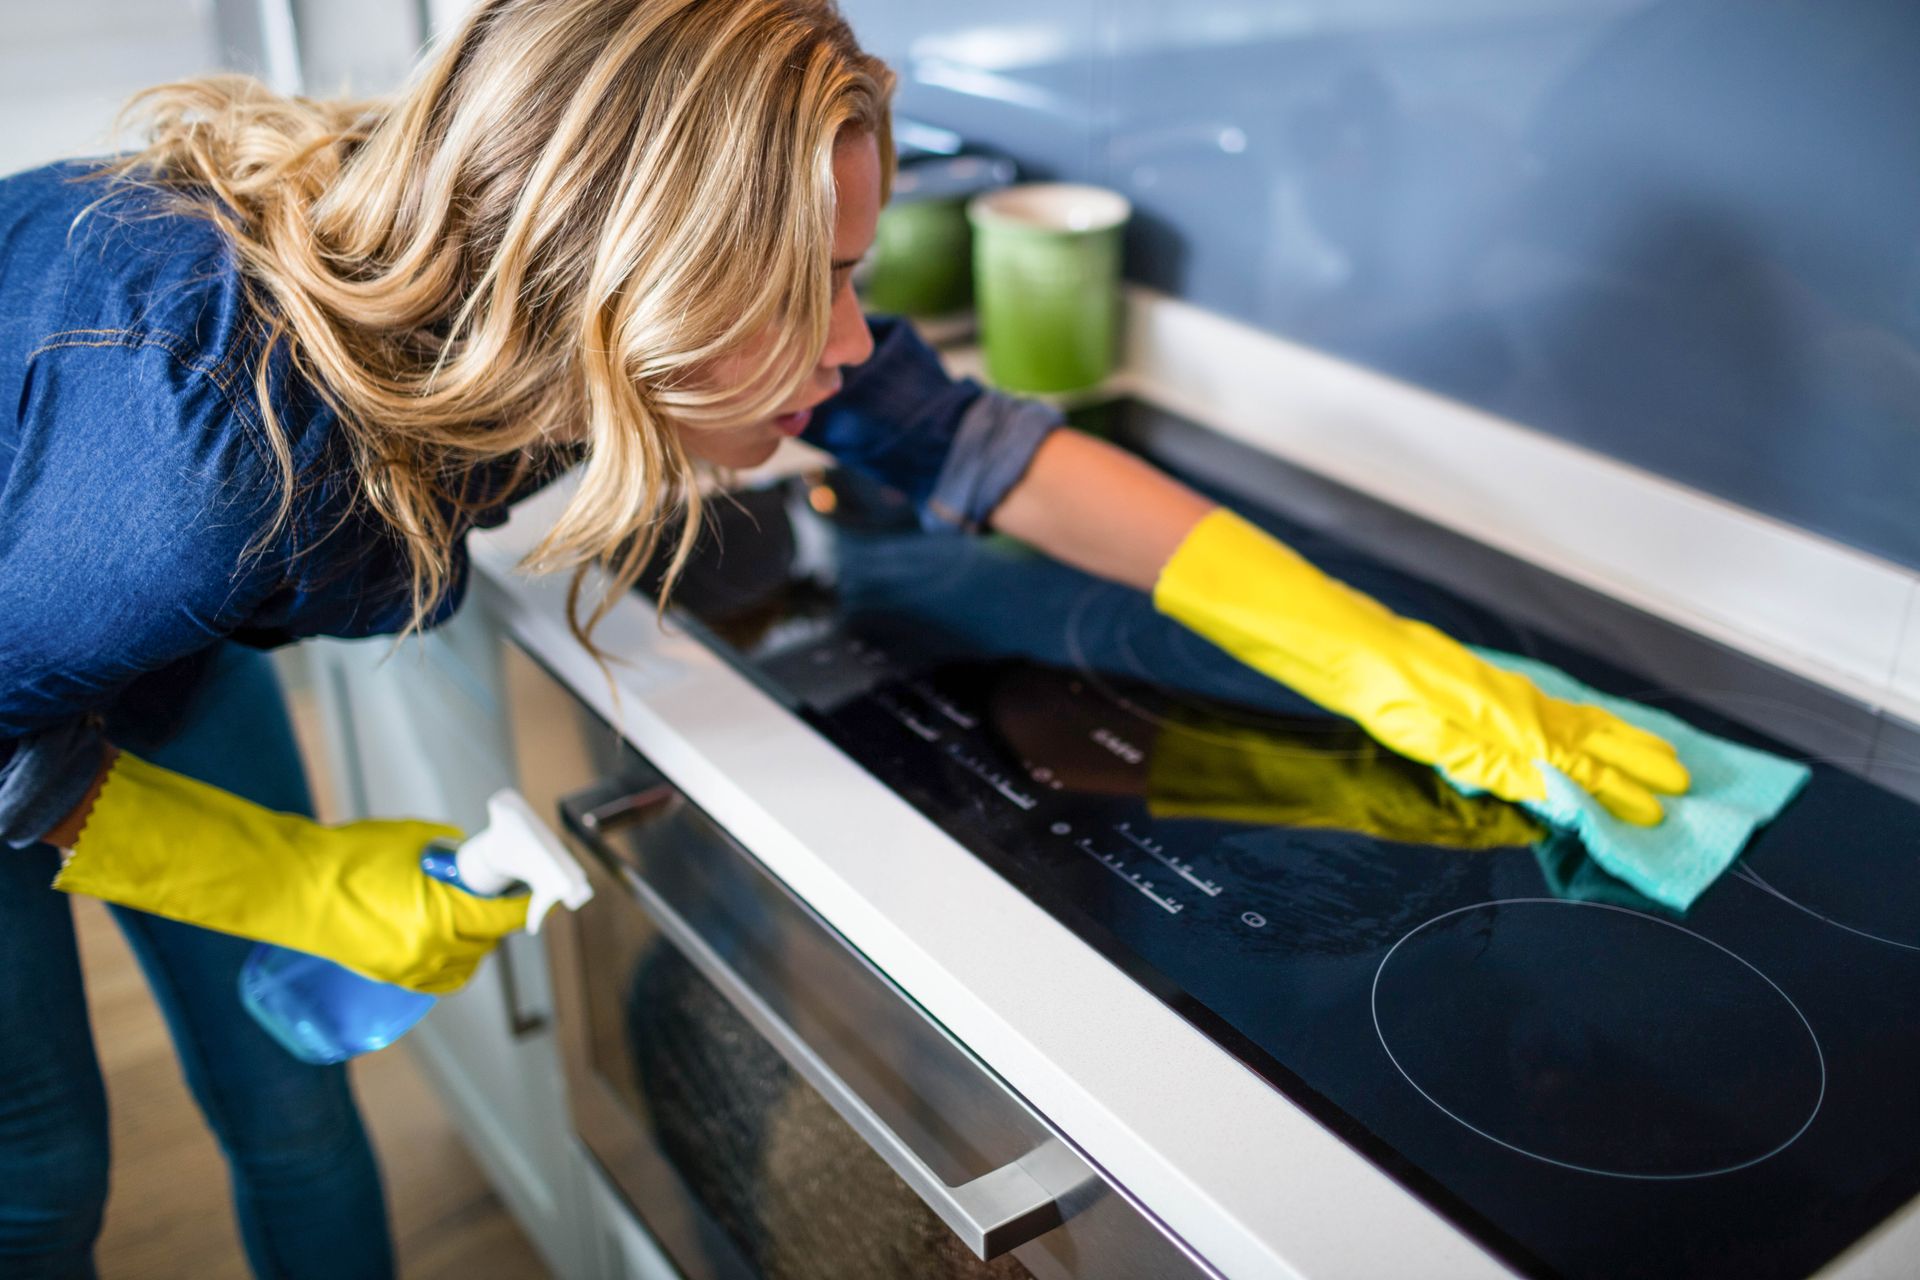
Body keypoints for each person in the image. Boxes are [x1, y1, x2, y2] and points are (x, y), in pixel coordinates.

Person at [0, 1, 1690, 1275]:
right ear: (637, 273)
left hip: (101, 614)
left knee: (282, 1086)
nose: (852, 337)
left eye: (855, 267)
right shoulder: (206, 464)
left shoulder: (555, 276)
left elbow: (983, 449)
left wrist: (1380, 655)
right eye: (807, 281)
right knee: (45, 1164)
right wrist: (274, 881)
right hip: (48, 615)